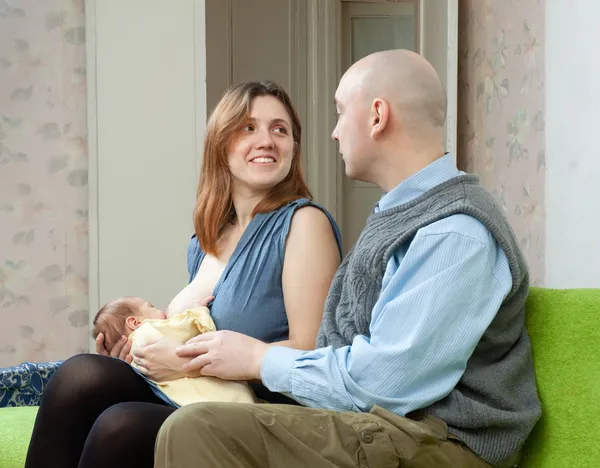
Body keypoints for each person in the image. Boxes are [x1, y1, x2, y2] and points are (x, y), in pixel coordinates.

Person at [154, 50, 542, 468]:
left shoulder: (454, 231)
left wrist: (256, 359)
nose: (335, 132)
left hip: (441, 442)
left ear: (377, 116)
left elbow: (385, 382)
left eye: (341, 113)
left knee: (196, 429)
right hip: (387, 425)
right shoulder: (405, 214)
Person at [24, 80, 342, 468]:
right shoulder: (206, 240)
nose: (267, 140)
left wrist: (184, 362)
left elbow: (312, 353)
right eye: (248, 127)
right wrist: (138, 352)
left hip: (265, 410)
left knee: (120, 425)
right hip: (196, 395)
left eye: (280, 129)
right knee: (82, 375)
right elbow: (194, 332)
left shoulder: (303, 223)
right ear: (220, 144)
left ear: (294, 147)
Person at [92, 297, 255, 406]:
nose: (162, 311)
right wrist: (199, 311)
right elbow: (184, 327)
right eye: (151, 307)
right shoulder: (149, 330)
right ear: (134, 322)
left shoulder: (133, 356)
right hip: (217, 399)